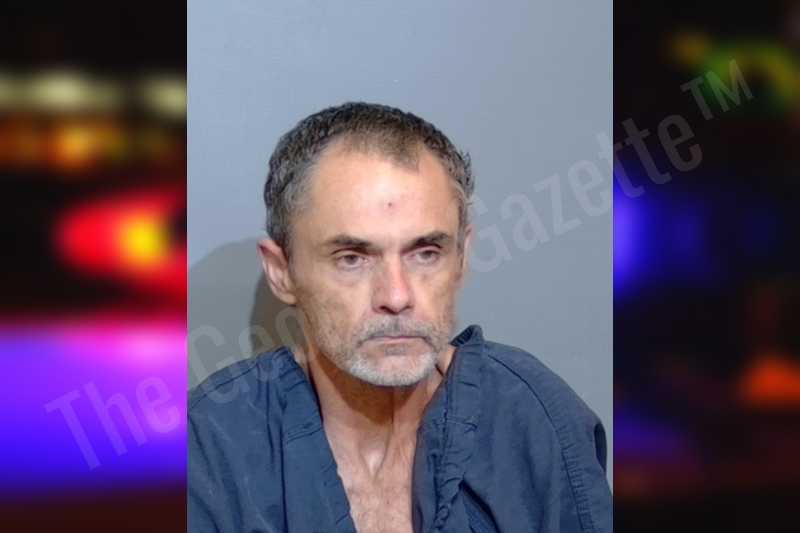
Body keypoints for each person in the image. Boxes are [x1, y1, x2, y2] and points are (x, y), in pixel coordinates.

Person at [187, 102, 612, 533]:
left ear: (461, 256)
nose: (396, 296)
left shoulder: (534, 420)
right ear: (282, 272)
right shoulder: (212, 447)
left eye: (426, 253)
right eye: (352, 258)